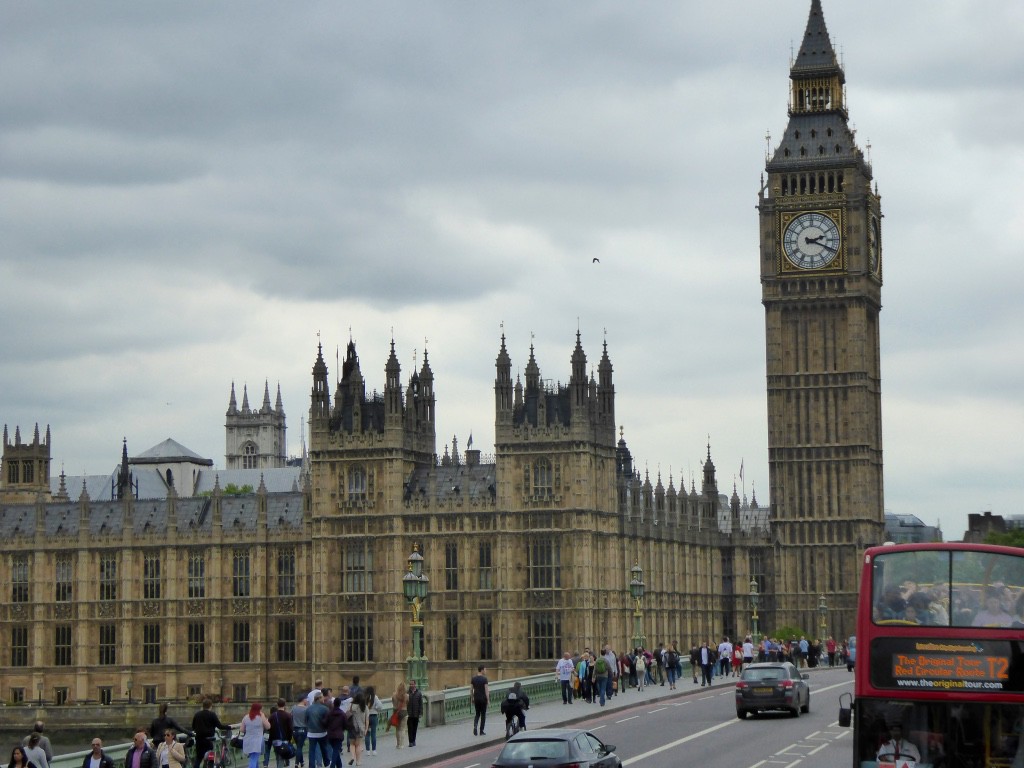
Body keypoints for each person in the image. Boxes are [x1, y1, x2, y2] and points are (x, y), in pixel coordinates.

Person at [191, 698, 230, 768]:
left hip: (199, 739)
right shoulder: (212, 714)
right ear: (210, 706)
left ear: (203, 706)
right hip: (209, 740)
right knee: (211, 757)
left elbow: (193, 727)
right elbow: (220, 726)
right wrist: (228, 727)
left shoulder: (197, 714)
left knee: (199, 758)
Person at [239, 702, 272, 768]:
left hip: (248, 740)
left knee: (254, 758)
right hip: (257, 741)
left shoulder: (246, 717)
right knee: (253, 759)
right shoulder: (261, 717)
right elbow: (268, 727)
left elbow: (242, 729)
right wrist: (263, 716)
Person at [304, 692, 329, 768]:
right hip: (322, 732)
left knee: (312, 750)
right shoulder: (325, 709)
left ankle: (311, 765)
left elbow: (306, 720)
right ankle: (327, 763)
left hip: (311, 732)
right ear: (319, 698)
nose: (323, 699)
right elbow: (328, 720)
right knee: (324, 748)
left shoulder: (308, 709)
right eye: (322, 697)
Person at [267, 699, 293, 768]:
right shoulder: (288, 715)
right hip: (285, 740)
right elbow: (290, 729)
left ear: (277, 705)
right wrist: (289, 739)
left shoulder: (272, 716)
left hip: (275, 741)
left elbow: (269, 729)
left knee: (278, 758)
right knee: (284, 757)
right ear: (284, 705)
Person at [324, 697, 348, 768]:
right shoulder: (342, 714)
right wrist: (342, 729)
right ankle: (332, 765)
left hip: (330, 735)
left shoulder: (329, 713)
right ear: (340, 704)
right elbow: (345, 725)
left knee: (335, 750)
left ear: (333, 704)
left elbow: (325, 722)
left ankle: (339, 766)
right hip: (339, 734)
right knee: (335, 750)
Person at [347, 691, 367, 765]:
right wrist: (366, 729)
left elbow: (347, 714)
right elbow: (366, 719)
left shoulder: (351, 705)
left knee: (352, 744)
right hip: (361, 727)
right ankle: (358, 762)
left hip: (352, 727)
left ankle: (352, 757)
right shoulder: (364, 707)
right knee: (358, 745)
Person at [362, 685, 382, 757]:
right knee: (373, 733)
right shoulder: (375, 697)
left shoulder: (364, 698)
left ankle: (367, 751)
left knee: (367, 734)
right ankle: (374, 750)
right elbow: (380, 706)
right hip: (373, 716)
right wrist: (375, 708)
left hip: (366, 717)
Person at [291, 694, 308, 768]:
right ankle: (296, 763)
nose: (307, 701)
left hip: (295, 729)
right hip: (303, 729)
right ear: (303, 700)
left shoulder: (294, 708)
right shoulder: (306, 709)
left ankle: (302, 762)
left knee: (298, 746)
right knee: (299, 747)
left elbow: (291, 717)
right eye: (306, 699)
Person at [470, 666, 489, 736]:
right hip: (483, 699)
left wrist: (472, 698)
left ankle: (475, 726)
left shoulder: (473, 678)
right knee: (483, 715)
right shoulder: (484, 679)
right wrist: (488, 699)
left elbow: (471, 690)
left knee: (477, 714)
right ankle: (481, 731)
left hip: (476, 698)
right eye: (485, 669)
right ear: (482, 670)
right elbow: (486, 691)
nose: (486, 671)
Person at [391, 681, 409, 749]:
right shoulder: (406, 696)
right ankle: (402, 744)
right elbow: (407, 703)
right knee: (403, 729)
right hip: (404, 712)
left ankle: (398, 744)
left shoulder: (394, 694)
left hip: (396, 712)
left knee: (397, 729)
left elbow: (392, 702)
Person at [406, 680, 423, 748]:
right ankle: (410, 742)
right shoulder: (407, 693)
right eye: (410, 684)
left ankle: (413, 740)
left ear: (415, 684)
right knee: (410, 728)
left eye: (412, 684)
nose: (411, 685)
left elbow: (421, 704)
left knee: (415, 728)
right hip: (409, 714)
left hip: (416, 714)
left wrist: (420, 713)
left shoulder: (419, 693)